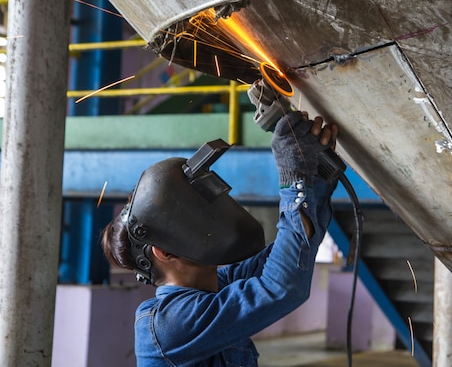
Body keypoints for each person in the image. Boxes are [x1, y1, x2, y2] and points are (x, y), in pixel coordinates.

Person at [101, 110, 339, 367]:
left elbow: (293, 254)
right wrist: (294, 179)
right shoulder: (167, 324)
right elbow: (281, 288)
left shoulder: (218, 284)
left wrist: (315, 179)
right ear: (164, 252)